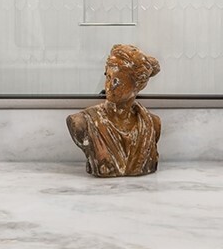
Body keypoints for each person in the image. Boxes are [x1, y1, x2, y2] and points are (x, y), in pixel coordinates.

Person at [66, 44, 163, 177]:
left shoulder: (152, 124)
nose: (108, 86)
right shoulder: (82, 123)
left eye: (117, 81)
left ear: (138, 84)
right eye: (108, 77)